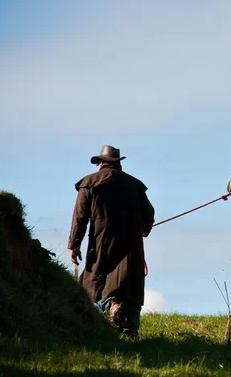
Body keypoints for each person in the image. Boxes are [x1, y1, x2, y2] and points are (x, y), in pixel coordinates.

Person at [68, 145, 155, 338]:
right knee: (130, 284)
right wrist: (144, 229)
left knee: (95, 284)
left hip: (101, 244)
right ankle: (130, 329)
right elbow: (149, 214)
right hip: (131, 246)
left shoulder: (89, 183)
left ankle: (109, 309)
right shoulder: (135, 185)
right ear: (118, 164)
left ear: (101, 163)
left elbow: (80, 218)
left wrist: (74, 245)